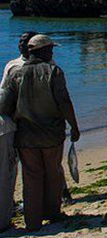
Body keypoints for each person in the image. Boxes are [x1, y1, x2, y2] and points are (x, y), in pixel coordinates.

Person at [0, 34, 79, 232]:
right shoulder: (54, 71)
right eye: (50, 49)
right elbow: (64, 102)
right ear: (40, 51)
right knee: (53, 174)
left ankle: (32, 221)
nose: (52, 52)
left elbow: (3, 107)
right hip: (51, 134)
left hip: (25, 136)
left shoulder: (15, 73)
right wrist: (74, 126)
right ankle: (52, 213)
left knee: (31, 177)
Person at [0, 31, 38, 231]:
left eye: (26, 42)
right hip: (12, 125)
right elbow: (4, 96)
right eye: (20, 42)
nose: (21, 45)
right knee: (8, 171)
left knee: (30, 169)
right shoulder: (12, 66)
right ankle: (7, 212)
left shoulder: (41, 67)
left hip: (29, 127)